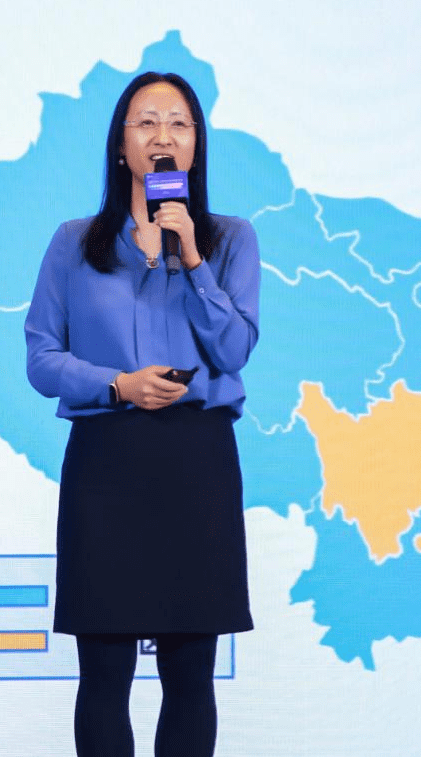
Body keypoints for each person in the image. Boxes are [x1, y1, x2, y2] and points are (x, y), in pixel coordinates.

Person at [25, 72, 260, 757]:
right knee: (103, 676)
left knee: (190, 676)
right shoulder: (74, 243)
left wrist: (193, 259)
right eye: (147, 122)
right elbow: (41, 358)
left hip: (196, 465)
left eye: (180, 123)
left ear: (196, 145)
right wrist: (117, 384)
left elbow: (234, 350)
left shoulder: (230, 240)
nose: (164, 135)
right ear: (122, 146)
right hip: (107, 466)